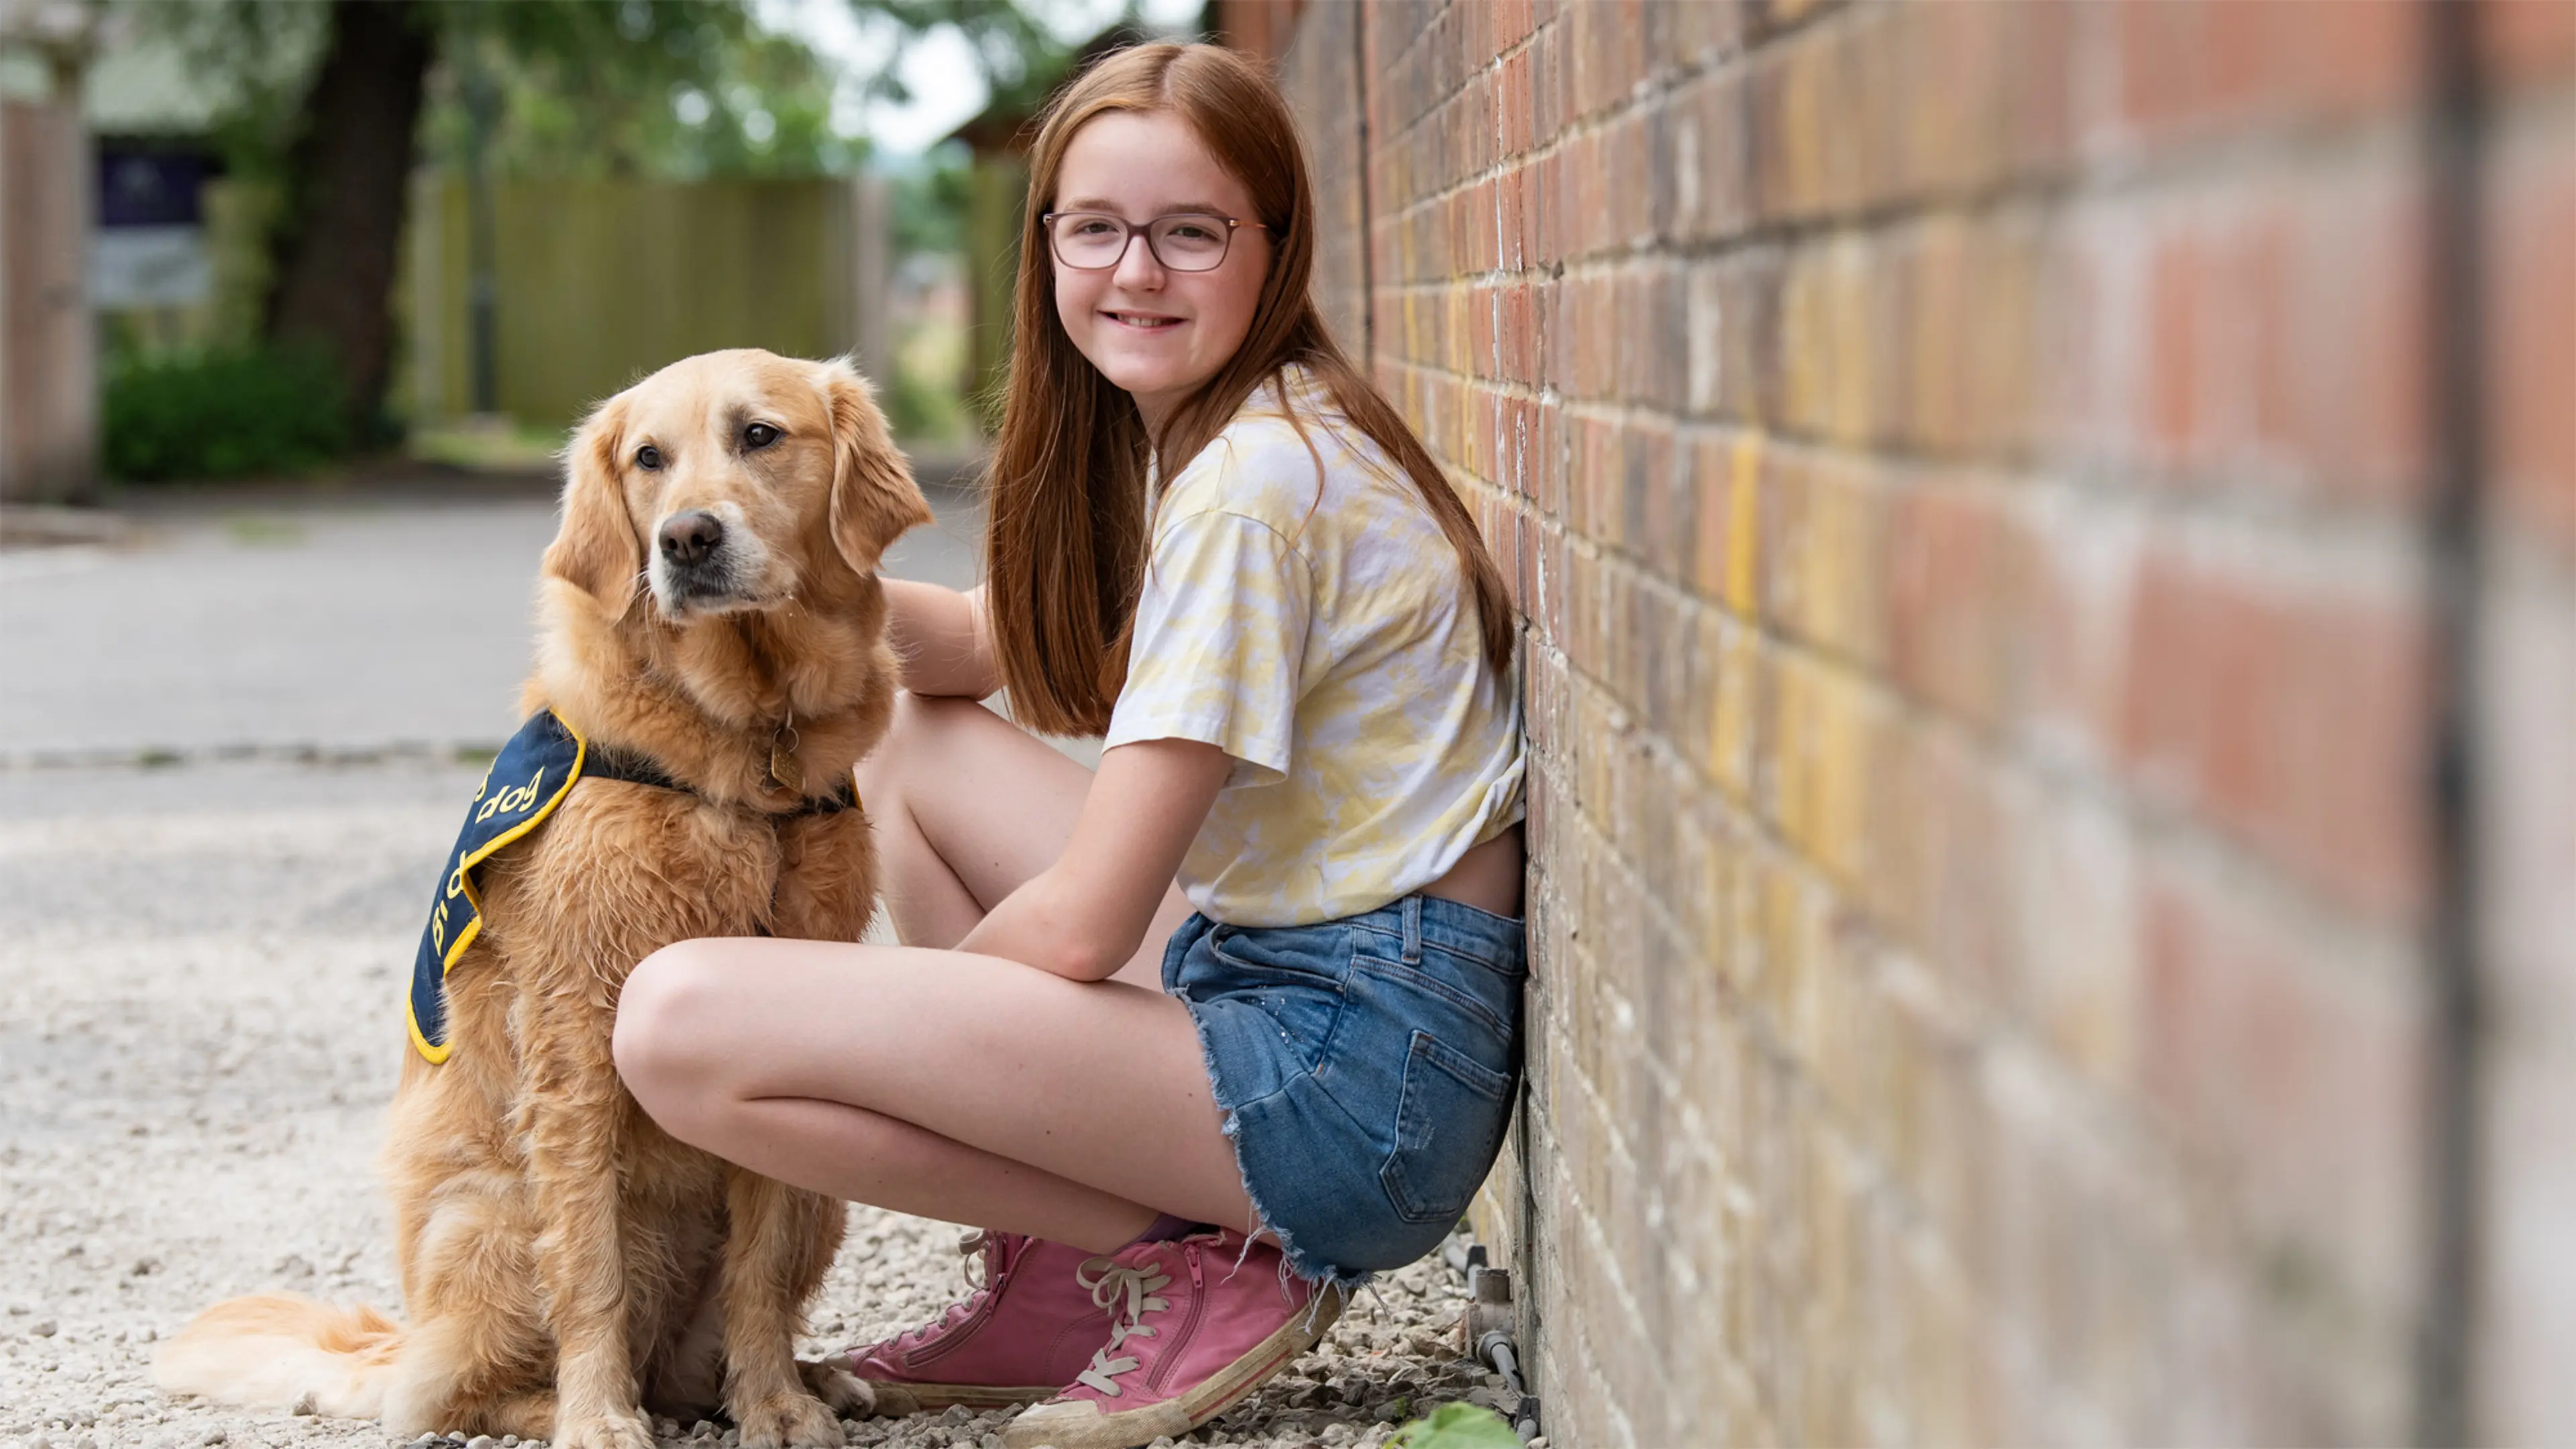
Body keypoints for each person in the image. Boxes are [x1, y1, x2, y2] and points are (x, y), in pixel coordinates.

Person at [612, 40, 1527, 1449]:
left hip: (1358, 1094)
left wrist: (910, 1042)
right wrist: (746, 560)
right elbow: (985, 648)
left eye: (1191, 233)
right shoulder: (1238, 433)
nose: (1136, 272)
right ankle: (1079, 1273)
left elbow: (1089, 924)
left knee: (676, 1026)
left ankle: (1218, 1258)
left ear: (1274, 249)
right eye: (1095, 229)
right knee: (913, 738)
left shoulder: (1250, 494)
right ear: (1046, 245)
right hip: (1324, 983)